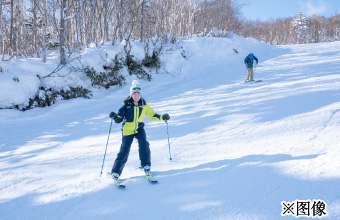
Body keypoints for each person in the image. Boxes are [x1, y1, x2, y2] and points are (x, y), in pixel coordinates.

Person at [109, 80, 170, 183]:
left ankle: (146, 166)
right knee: (124, 150)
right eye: (134, 94)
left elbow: (152, 115)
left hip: (139, 128)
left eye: (138, 94)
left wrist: (162, 117)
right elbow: (118, 119)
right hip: (128, 130)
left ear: (140, 94)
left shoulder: (144, 105)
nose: (136, 96)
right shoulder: (126, 105)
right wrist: (114, 116)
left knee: (144, 144)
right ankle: (116, 172)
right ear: (131, 94)